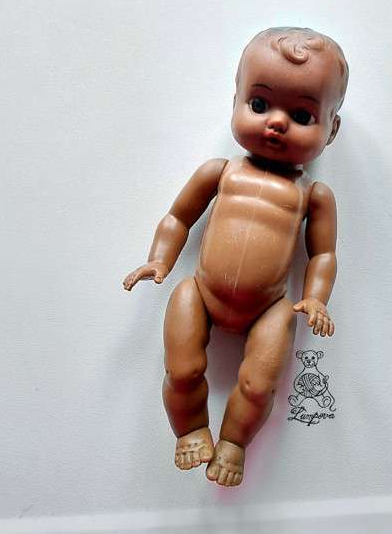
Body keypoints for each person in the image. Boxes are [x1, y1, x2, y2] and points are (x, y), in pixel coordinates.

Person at [123, 27, 349, 487]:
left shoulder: (314, 196)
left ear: (331, 130)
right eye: (259, 104)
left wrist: (316, 297)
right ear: (236, 101)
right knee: (182, 368)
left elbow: (323, 254)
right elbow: (178, 218)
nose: (276, 123)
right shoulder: (219, 172)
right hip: (201, 292)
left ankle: (234, 442)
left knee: (258, 384)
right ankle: (190, 429)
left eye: (302, 115)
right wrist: (160, 259)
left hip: (268, 308)